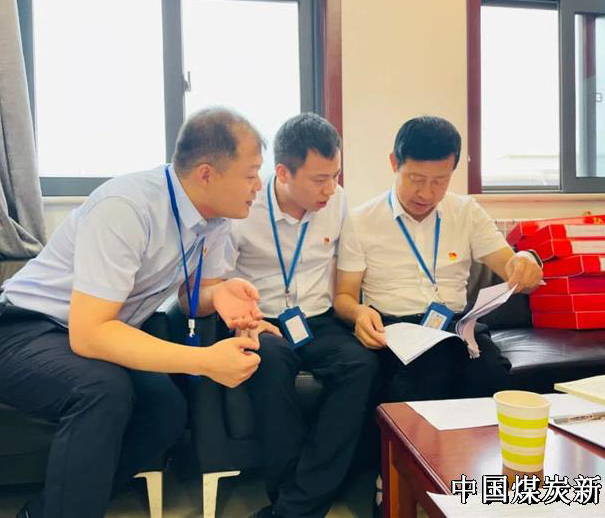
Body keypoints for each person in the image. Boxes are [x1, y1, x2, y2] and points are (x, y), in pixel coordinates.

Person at [0, 108, 266, 518]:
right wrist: (205, 361)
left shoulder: (214, 221)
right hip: (16, 331)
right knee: (102, 390)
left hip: (87, 336)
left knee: (166, 410)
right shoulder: (127, 208)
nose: (258, 186)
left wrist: (219, 295)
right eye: (251, 174)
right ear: (206, 174)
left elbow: (190, 297)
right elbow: (90, 334)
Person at [225, 112, 379, 518]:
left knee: (361, 365)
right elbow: (218, 281)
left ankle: (293, 507)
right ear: (283, 173)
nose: (330, 188)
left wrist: (358, 310)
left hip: (319, 319)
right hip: (260, 320)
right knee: (270, 362)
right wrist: (245, 319)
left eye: (336, 175)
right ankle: (300, 502)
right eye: (319, 179)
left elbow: (348, 279)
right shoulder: (244, 207)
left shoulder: (338, 201)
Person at [334, 115, 543, 403]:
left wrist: (524, 260)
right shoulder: (361, 221)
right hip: (397, 331)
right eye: (416, 179)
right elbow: (344, 296)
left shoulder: (466, 212)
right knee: (423, 378)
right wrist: (358, 313)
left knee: (491, 374)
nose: (426, 193)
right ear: (394, 163)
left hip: (456, 326)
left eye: (440, 181)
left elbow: (510, 265)